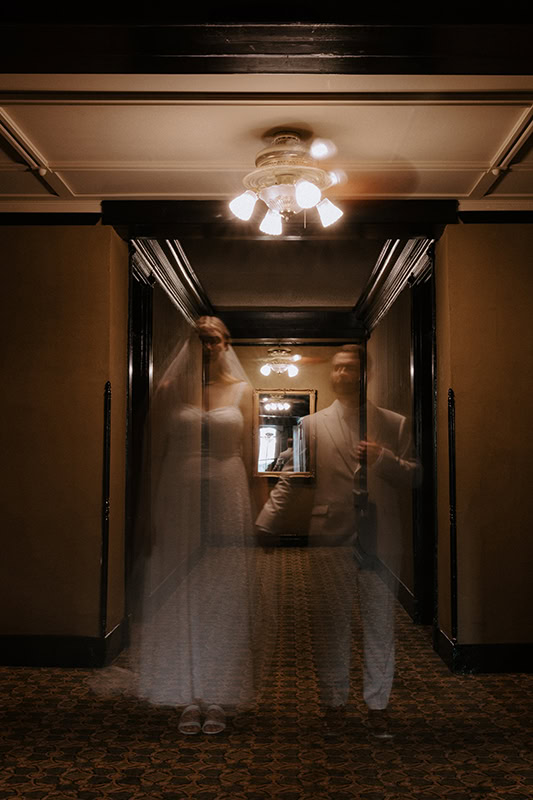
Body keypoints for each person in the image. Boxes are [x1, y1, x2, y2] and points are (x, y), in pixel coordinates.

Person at [256, 344, 420, 737]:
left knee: (380, 625)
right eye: (338, 368)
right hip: (330, 537)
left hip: (382, 538)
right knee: (331, 626)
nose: (343, 375)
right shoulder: (310, 425)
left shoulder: (394, 424)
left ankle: (378, 706)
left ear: (367, 372)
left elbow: (416, 476)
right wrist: (265, 523)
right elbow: (290, 480)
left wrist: (384, 459)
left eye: (351, 368)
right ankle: (333, 704)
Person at [136, 315, 259, 735]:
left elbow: (252, 457)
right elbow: (153, 457)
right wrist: (148, 516)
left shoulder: (245, 393)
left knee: (220, 596)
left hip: (228, 493)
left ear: (227, 343)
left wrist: (258, 522)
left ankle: (218, 692)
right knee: (179, 592)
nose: (207, 347)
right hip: (177, 494)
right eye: (200, 340)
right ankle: (185, 692)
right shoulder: (170, 390)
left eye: (214, 340)